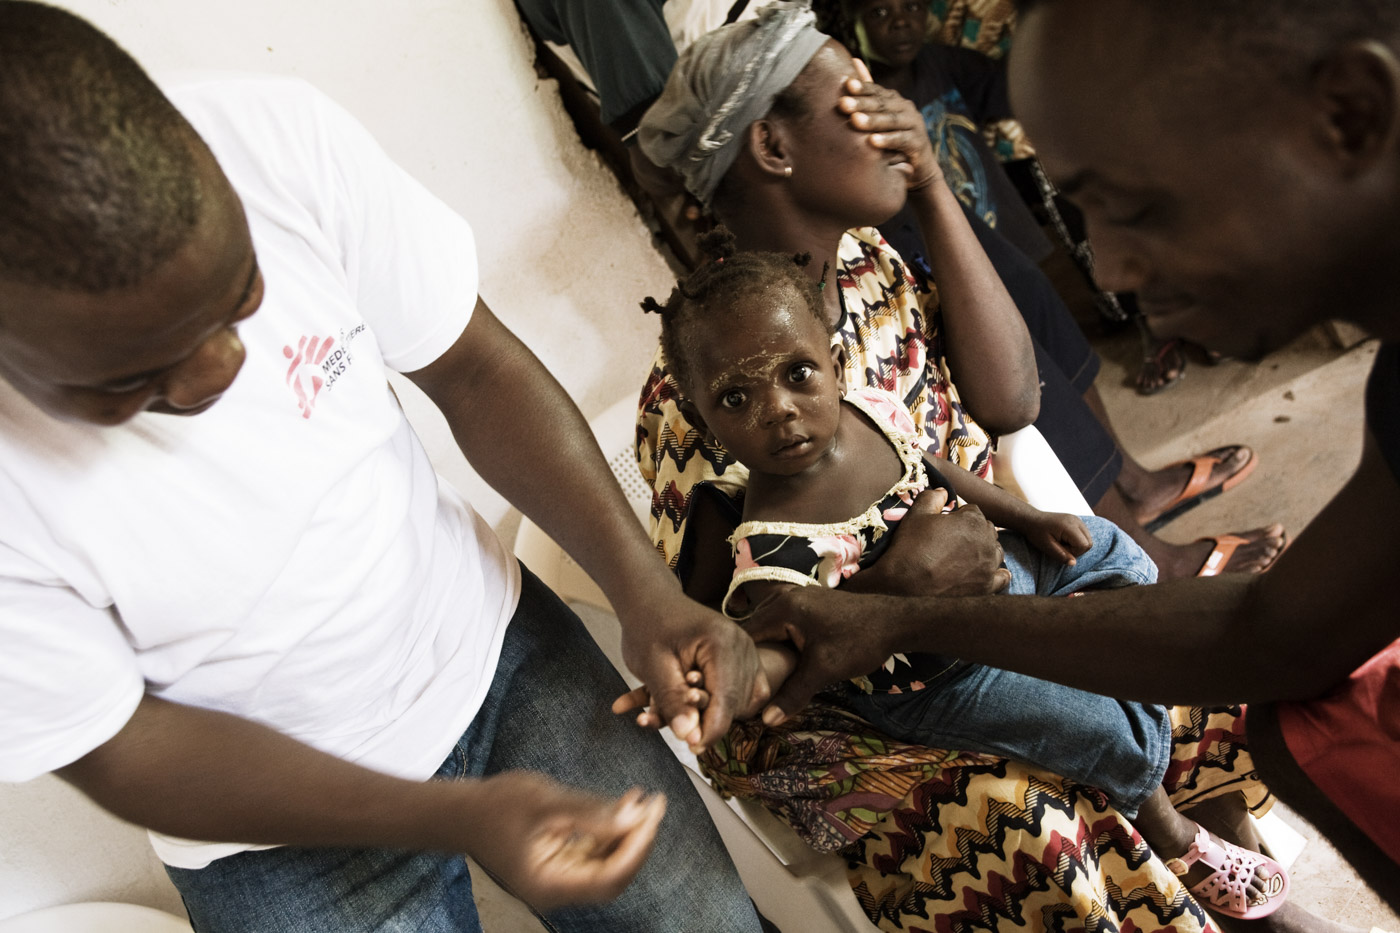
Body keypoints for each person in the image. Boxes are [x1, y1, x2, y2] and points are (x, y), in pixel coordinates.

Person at [0, 4, 766, 931]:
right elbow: (119, 747)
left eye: (242, 297)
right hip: (264, 825)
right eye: (134, 380)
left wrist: (648, 595)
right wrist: (452, 815)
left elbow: (474, 369)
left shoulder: (272, 140)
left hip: (491, 646)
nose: (219, 372)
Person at [629, 6, 1301, 930]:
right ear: (773, 147)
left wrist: (935, 185)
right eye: (857, 95)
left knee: (1167, 627)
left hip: (995, 587)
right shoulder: (700, 395)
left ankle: (1242, 884)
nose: (894, 111)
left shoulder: (870, 270)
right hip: (859, 705)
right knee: (1015, 814)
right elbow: (727, 669)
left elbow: (1012, 404)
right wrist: (894, 593)